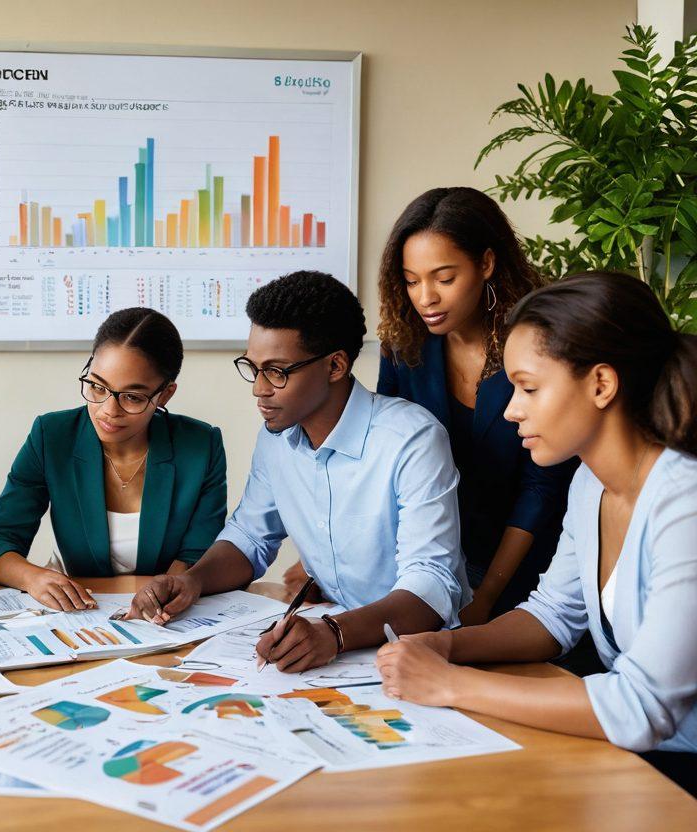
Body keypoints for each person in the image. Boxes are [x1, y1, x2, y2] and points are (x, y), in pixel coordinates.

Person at [377, 272, 697, 795]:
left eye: (528, 388)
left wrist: (451, 684)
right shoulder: (591, 482)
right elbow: (553, 615)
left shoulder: (686, 501)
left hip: (677, 770)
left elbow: (643, 708)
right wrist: (447, 644)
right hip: (639, 761)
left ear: (601, 384)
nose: (510, 410)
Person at [128, 271, 469, 672]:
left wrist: (335, 632)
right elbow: (250, 537)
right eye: (253, 368)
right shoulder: (277, 438)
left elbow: (431, 586)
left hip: (415, 648)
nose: (259, 389)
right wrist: (193, 581)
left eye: (277, 371)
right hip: (333, 640)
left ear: (335, 365)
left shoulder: (412, 439)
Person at [375, 187, 576, 624]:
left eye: (444, 278)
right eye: (411, 280)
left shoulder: (537, 341)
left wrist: (485, 595)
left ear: (486, 263)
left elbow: (542, 487)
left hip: (531, 563)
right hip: (432, 556)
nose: (425, 297)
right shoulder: (402, 344)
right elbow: (384, 457)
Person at [0, 308, 227, 611]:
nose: (108, 410)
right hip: (82, 615)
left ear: (165, 395)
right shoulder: (52, 435)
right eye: (97, 386)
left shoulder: (200, 446)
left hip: (166, 620)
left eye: (132, 397)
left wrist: (163, 596)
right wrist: (34, 578)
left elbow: (197, 558)